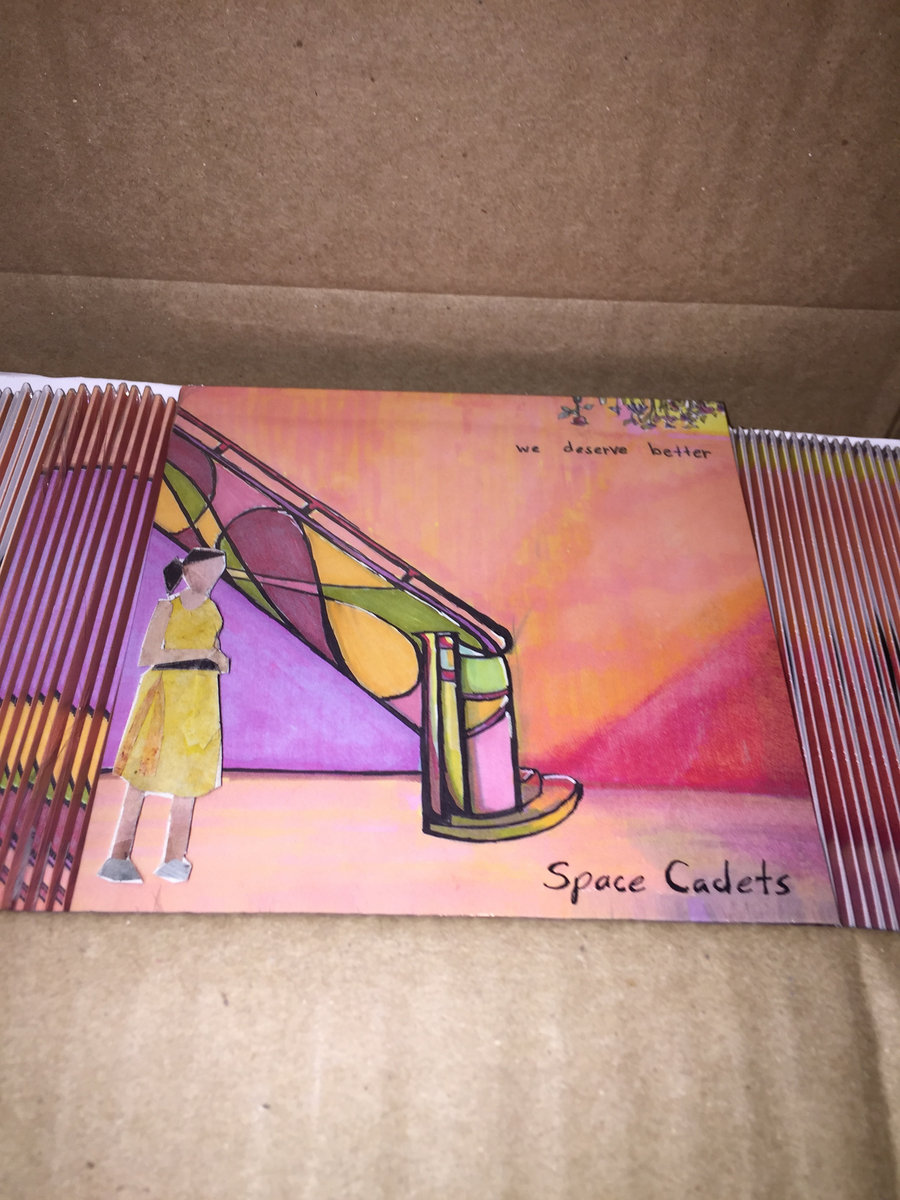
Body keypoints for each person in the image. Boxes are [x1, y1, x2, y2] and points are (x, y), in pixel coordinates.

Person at [98, 548, 229, 884]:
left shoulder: (213, 612)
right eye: (207, 573)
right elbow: (148, 654)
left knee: (188, 780)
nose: (211, 580)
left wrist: (219, 661)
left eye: (216, 574)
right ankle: (118, 857)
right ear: (188, 572)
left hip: (199, 700)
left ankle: (173, 859)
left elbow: (214, 653)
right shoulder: (167, 607)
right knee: (142, 775)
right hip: (164, 696)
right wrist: (203, 653)